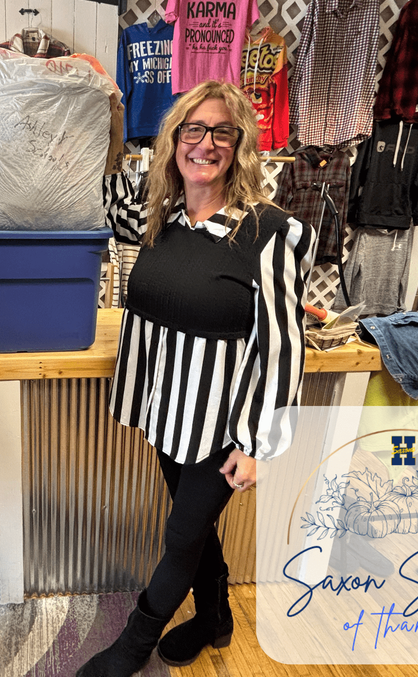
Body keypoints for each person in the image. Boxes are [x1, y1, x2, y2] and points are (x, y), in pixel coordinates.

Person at [77, 80, 314, 677]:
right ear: (174, 139)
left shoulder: (266, 232)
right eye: (193, 129)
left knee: (181, 537)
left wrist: (257, 444)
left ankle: (131, 648)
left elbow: (284, 346)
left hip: (224, 424)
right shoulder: (161, 217)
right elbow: (103, 191)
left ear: (240, 145)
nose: (205, 143)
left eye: (221, 132)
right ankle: (215, 617)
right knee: (197, 527)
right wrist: (110, 113)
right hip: (169, 410)